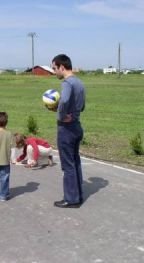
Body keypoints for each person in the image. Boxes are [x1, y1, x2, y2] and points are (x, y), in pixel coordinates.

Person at [51, 54, 85, 208]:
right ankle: (78, 195)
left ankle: (71, 199)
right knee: (75, 161)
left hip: (67, 130)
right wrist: (73, 114)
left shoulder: (67, 83)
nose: (54, 72)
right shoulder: (79, 82)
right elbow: (82, 105)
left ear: (62, 67)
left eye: (54, 68)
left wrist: (61, 115)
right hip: (77, 126)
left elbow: (64, 100)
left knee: (67, 164)